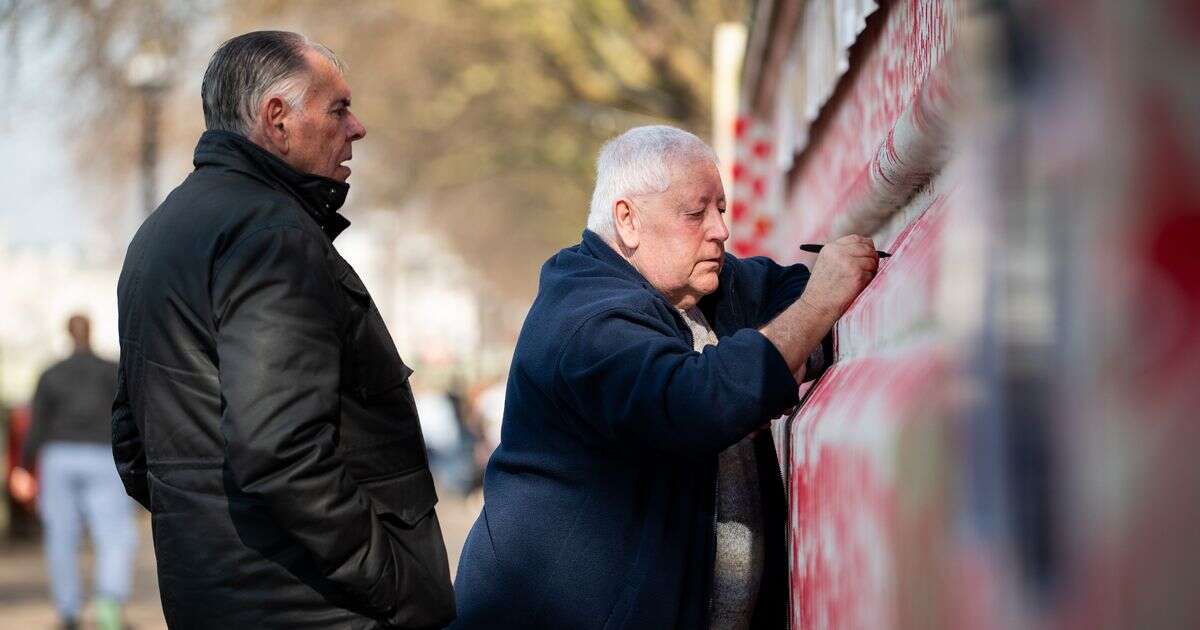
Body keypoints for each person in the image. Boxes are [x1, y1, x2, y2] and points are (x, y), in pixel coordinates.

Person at [451, 125, 879, 629]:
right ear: (627, 220)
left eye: (721, 209)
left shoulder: (707, 285)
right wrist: (813, 312)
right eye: (696, 213)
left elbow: (788, 291)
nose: (720, 229)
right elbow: (695, 403)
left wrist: (793, 344)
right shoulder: (586, 321)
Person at [112, 31, 454, 628]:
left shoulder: (161, 233)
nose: (357, 128)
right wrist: (396, 583)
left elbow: (133, 442)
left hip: (217, 596)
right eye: (339, 108)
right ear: (278, 119)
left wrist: (212, 533)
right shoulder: (271, 235)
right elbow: (279, 447)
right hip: (317, 606)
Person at [9, 314, 134, 630]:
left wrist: (24, 467)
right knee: (114, 534)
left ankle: (68, 611)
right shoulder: (111, 370)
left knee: (61, 537)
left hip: (58, 458)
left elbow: (36, 424)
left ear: (68, 334)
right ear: (90, 333)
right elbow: (129, 415)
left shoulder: (51, 373)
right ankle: (109, 606)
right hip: (103, 456)